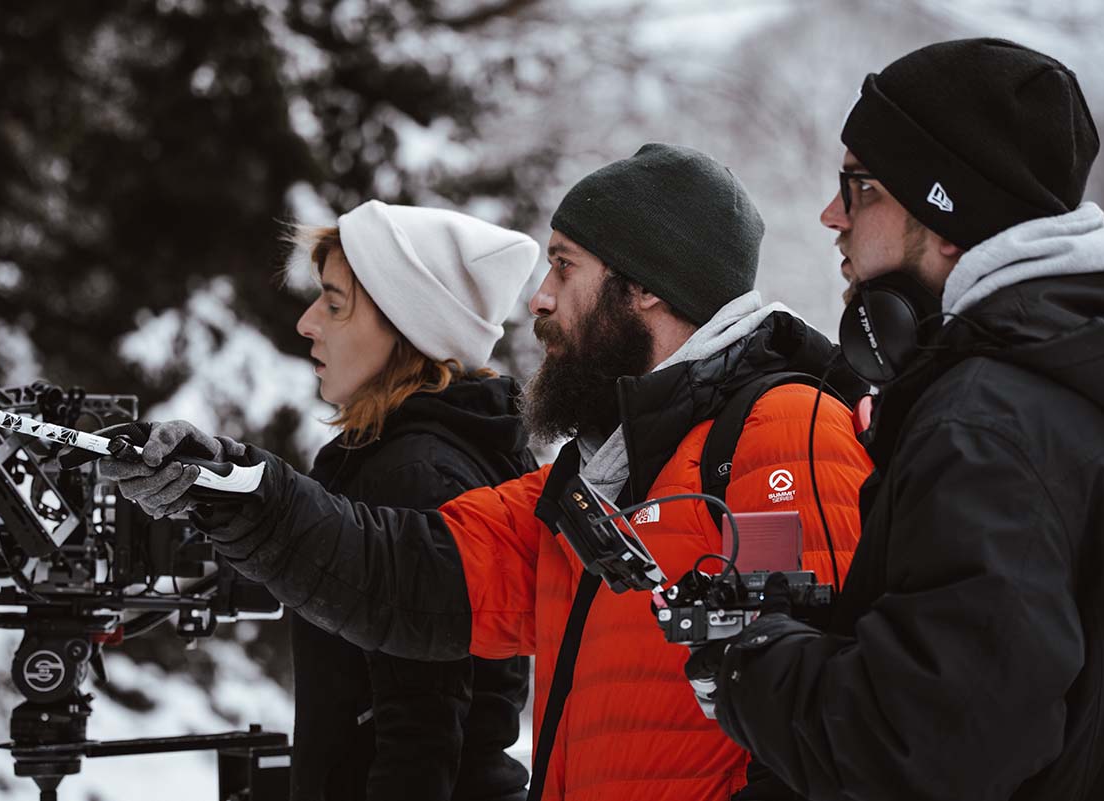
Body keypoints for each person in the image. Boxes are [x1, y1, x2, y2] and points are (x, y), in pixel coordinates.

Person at [106, 144, 874, 800]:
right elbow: (408, 574)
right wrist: (241, 492)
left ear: (645, 286)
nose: (538, 298)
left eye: (565, 267)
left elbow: (820, 731)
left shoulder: (781, 432)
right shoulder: (604, 477)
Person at [697, 38, 1104, 801]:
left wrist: (746, 654)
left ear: (948, 216)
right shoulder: (1055, 387)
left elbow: (929, 744)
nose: (831, 215)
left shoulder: (985, 425)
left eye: (860, 186)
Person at [118, 202, 542, 801]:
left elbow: (423, 738)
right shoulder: (421, 453)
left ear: (408, 327)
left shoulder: (418, 472)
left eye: (336, 304)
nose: (307, 322)